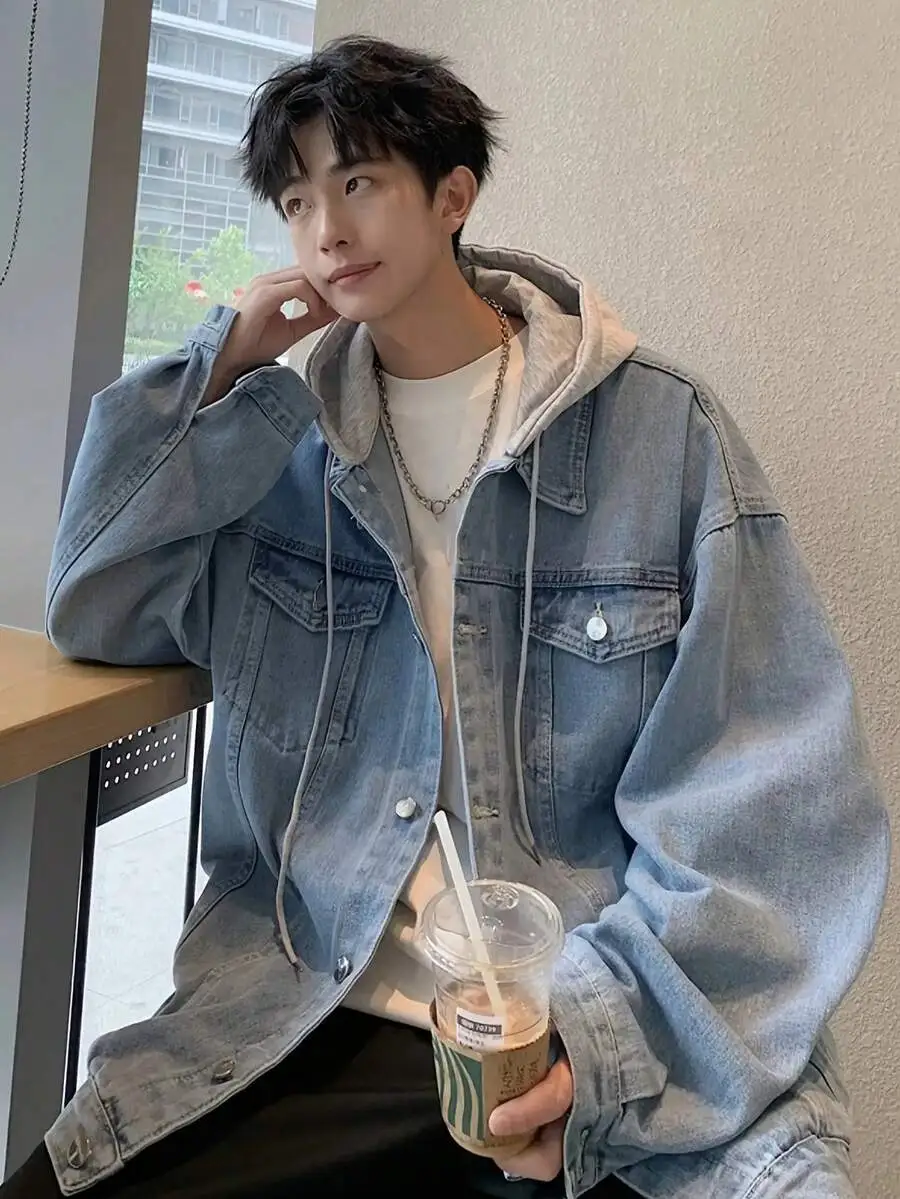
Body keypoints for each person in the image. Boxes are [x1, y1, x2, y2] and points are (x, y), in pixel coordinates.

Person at [3, 34, 887, 1199]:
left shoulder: (660, 438)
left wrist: (597, 1049)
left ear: (454, 194)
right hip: (312, 1009)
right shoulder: (279, 452)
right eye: (296, 199)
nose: (327, 228)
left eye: (359, 181)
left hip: (592, 1017)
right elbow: (97, 600)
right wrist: (218, 371)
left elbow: (770, 813)